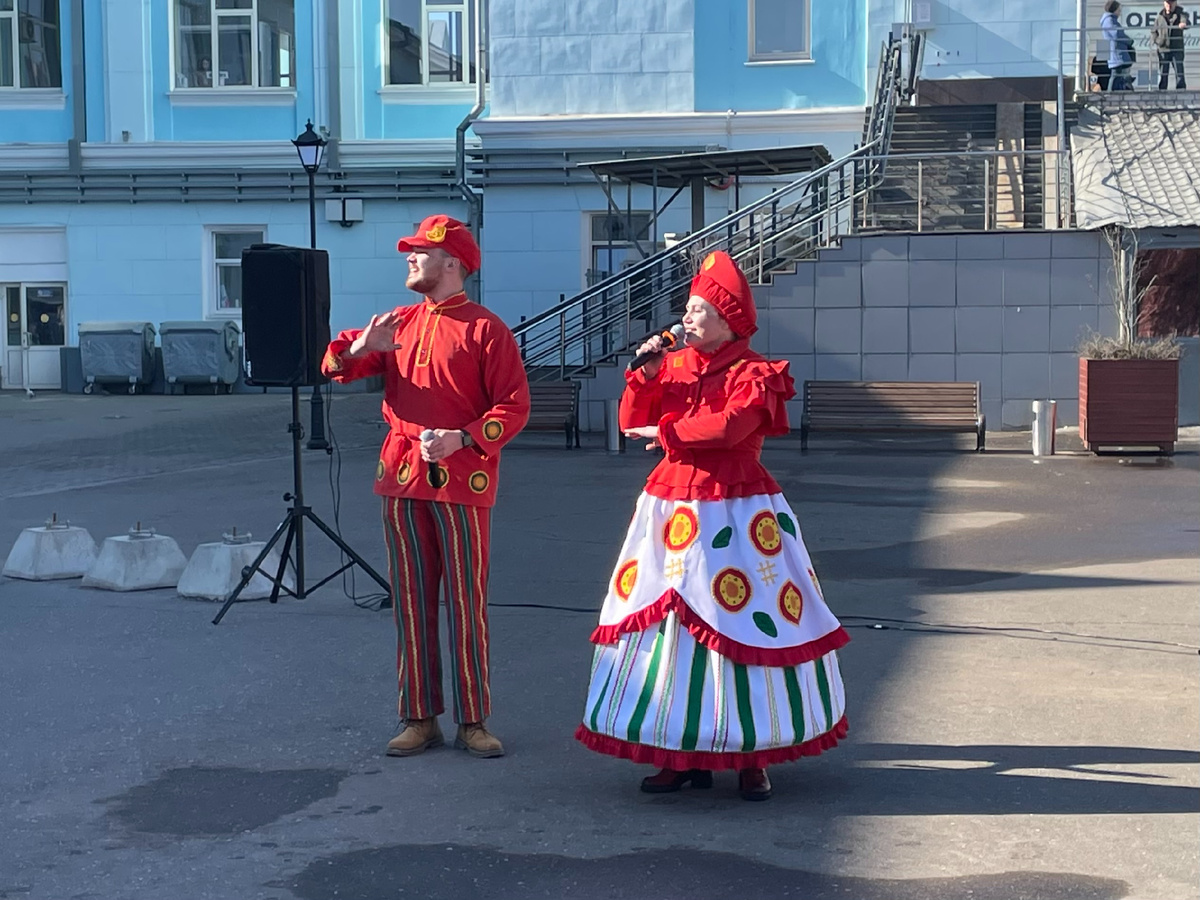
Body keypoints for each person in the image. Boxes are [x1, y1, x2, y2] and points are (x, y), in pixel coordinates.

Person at [574, 250, 849, 801]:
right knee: (668, 627)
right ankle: (678, 752)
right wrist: (646, 374)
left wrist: (669, 431)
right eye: (689, 308)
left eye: (699, 309)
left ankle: (752, 755)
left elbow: (728, 430)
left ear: (728, 320)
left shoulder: (755, 373)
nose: (686, 317)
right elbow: (632, 422)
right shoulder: (674, 365)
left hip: (736, 509)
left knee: (746, 619)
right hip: (671, 507)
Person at [321, 215, 530, 760]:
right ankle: (418, 717)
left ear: (453, 263)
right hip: (401, 476)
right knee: (411, 602)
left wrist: (463, 437)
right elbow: (334, 362)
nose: (410, 259)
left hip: (461, 480)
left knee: (466, 602)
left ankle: (473, 719)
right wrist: (362, 344)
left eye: (421, 252)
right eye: (410, 251)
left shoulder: (487, 329)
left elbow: (514, 405)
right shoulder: (398, 323)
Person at [1153, 0, 1189, 90]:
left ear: (1175, 3)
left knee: (1179, 71)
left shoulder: (1181, 14)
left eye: (1171, 2)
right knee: (1163, 73)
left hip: (1176, 49)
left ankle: (1181, 90)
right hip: (1163, 49)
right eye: (1168, 2)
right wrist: (1159, 41)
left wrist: (1183, 24)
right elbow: (1154, 32)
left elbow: (1186, 22)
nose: (1169, 5)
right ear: (1164, 3)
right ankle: (1162, 90)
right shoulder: (1159, 17)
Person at [1102, 1, 1135, 91]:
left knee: (1119, 74)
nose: (1120, 12)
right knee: (1116, 74)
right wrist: (1129, 41)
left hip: (1117, 52)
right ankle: (1111, 94)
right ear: (1114, 9)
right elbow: (1117, 34)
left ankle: (1121, 90)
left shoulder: (1109, 20)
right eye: (1119, 10)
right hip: (1117, 53)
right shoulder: (1110, 20)